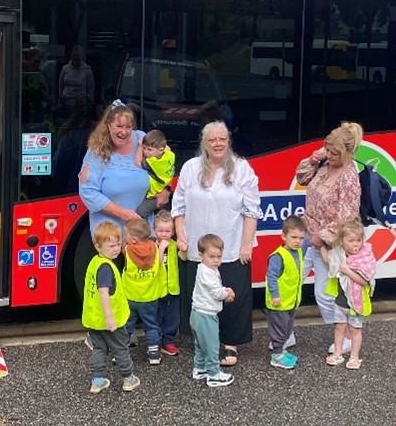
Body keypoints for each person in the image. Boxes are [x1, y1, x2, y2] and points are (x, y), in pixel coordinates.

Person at [172, 120, 261, 368]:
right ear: (205, 144)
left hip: (231, 246)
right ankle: (203, 342)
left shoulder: (242, 169)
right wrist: (181, 235)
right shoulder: (190, 168)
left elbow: (252, 211)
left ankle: (230, 344)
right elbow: (178, 206)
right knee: (199, 296)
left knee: (232, 296)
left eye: (222, 139)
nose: (218, 144)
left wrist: (246, 245)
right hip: (197, 247)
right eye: (212, 140)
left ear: (228, 141)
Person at [294, 121, 364, 356]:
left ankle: (343, 337)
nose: (330, 156)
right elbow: (301, 178)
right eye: (328, 150)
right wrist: (314, 159)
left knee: (324, 294)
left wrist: (321, 237)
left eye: (335, 153)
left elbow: (347, 217)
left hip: (327, 243)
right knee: (290, 284)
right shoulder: (324, 162)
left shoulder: (349, 176)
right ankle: (285, 333)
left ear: (347, 152)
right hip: (305, 233)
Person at [79, 101, 168, 237]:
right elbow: (87, 191)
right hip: (110, 236)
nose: (124, 132)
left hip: (142, 233)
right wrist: (123, 214)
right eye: (119, 126)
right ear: (108, 125)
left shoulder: (142, 140)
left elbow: (165, 164)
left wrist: (166, 190)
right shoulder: (97, 151)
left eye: (128, 127)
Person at [82, 221, 141, 393]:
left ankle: (97, 380)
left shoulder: (95, 262)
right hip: (110, 320)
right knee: (120, 349)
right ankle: (128, 379)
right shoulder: (106, 268)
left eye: (118, 244)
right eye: (111, 245)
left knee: (99, 349)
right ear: (98, 246)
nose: (116, 249)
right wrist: (110, 317)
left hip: (94, 319)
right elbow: (103, 292)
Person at [325, 216, 376, 370]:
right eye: (351, 240)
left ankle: (354, 357)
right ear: (341, 241)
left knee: (355, 330)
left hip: (355, 302)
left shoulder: (364, 257)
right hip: (340, 301)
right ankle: (338, 354)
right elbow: (329, 261)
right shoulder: (338, 254)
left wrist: (347, 271)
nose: (356, 244)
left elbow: (364, 280)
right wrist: (321, 245)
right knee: (339, 327)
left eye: (359, 240)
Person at [189, 234, 235, 388]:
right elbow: (216, 292)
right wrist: (227, 294)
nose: (216, 260)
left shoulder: (203, 268)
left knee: (200, 344)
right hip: (206, 315)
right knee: (211, 345)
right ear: (201, 255)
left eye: (219, 256)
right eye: (211, 257)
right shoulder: (208, 272)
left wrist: (223, 290)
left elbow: (214, 289)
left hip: (197, 313)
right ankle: (214, 374)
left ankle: (200, 368)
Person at [266, 215, 308, 370]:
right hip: (279, 302)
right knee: (279, 328)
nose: (298, 241)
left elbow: (310, 241)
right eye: (294, 237)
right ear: (283, 236)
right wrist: (275, 295)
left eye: (301, 238)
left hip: (291, 301)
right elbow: (271, 276)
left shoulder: (298, 251)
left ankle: (281, 350)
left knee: (287, 328)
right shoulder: (279, 256)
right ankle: (276, 354)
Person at [122, 218, 162, 365]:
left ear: (133, 239)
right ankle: (153, 354)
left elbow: (124, 247)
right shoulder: (155, 248)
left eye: (126, 234)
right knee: (151, 325)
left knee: (127, 326)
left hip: (130, 296)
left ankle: (121, 353)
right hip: (150, 297)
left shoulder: (127, 250)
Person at [153, 210, 181, 357]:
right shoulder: (151, 247)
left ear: (173, 231)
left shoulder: (175, 245)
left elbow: (183, 256)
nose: (164, 234)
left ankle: (168, 341)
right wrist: (161, 248)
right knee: (157, 317)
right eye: (160, 231)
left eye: (167, 231)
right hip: (158, 290)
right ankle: (155, 343)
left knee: (172, 317)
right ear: (154, 230)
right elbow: (153, 265)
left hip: (173, 289)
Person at [135, 129, 176, 217]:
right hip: (164, 187)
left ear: (161, 150)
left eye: (149, 149)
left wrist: (140, 147)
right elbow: (168, 148)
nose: (145, 152)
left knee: (140, 213)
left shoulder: (154, 162)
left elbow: (138, 162)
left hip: (155, 195)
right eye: (145, 148)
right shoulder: (169, 155)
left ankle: (145, 229)